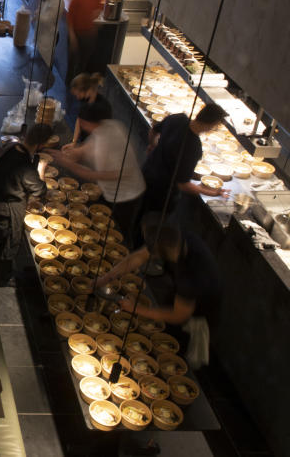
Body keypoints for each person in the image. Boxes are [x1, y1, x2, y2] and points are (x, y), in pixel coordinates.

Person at [95, 213, 221, 359]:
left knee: (175, 350)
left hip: (198, 317)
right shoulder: (177, 240)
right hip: (182, 297)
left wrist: (136, 308)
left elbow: (178, 315)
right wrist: (105, 278)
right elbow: (138, 257)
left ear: (158, 252)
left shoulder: (190, 275)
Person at [49, 103, 145, 233]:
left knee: (115, 229)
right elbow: (91, 145)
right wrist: (78, 150)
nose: (80, 124)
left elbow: (95, 175)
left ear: (86, 122)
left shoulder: (105, 142)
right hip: (118, 188)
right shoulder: (109, 125)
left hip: (125, 195)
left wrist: (67, 163)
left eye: (81, 121)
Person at [0, 123, 56, 287]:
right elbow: (40, 190)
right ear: (40, 145)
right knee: (10, 244)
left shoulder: (11, 146)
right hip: (8, 210)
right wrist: (42, 169)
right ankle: (3, 277)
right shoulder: (25, 167)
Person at [139, 103, 230, 225]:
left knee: (139, 210)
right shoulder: (193, 147)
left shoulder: (178, 118)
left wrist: (153, 145)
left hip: (147, 172)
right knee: (151, 224)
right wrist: (212, 192)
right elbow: (183, 185)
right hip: (162, 191)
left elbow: (153, 131)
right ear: (211, 125)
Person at [66, 72, 112, 144]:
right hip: (86, 141)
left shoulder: (102, 107)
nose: (77, 97)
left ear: (87, 90)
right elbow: (79, 120)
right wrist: (74, 142)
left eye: (78, 94)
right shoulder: (85, 98)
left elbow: (102, 132)